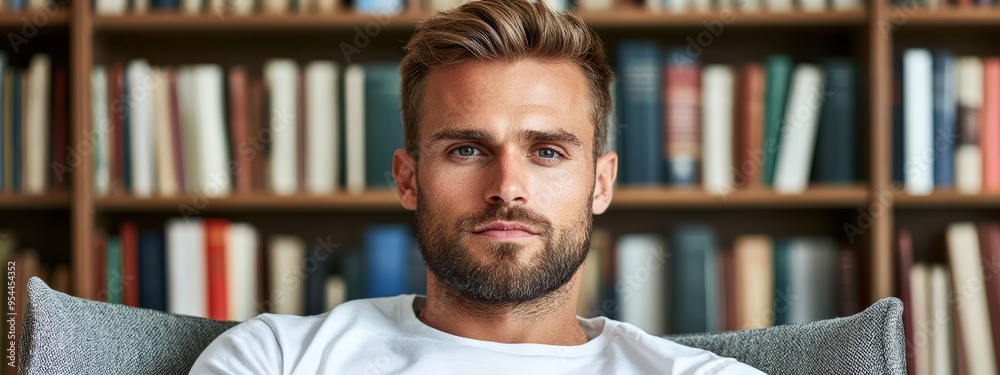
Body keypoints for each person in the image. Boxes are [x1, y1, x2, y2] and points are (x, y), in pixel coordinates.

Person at [191, 0, 764, 373]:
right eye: (466, 149)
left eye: (546, 152)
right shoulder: (274, 358)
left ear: (601, 183)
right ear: (408, 179)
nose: (507, 187)